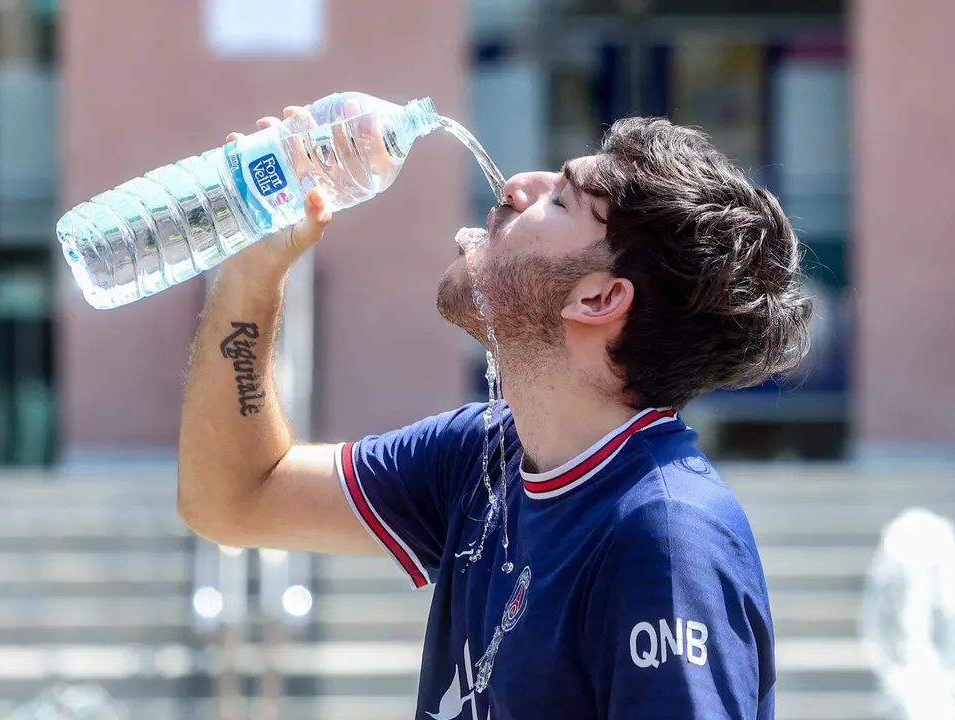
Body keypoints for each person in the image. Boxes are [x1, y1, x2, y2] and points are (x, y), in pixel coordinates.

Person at [177, 106, 813, 719]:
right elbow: (234, 497)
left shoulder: (665, 537)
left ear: (597, 298)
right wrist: (253, 273)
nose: (514, 187)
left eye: (560, 199)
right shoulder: (483, 457)